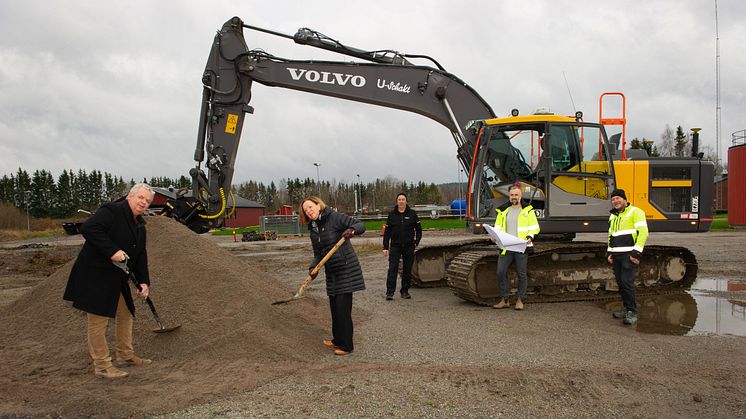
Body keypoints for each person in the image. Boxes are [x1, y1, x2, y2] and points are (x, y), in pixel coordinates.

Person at [63, 183, 155, 379]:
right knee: (98, 319)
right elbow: (89, 228)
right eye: (141, 198)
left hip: (117, 278)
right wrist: (112, 251)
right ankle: (103, 365)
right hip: (96, 275)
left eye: (147, 201)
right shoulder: (112, 211)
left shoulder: (140, 226)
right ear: (130, 196)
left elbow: (140, 255)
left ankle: (125, 355)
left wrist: (144, 282)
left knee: (126, 314)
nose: (143, 203)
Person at [300, 196, 365, 356]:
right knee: (334, 308)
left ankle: (347, 345)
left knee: (343, 309)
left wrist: (352, 230)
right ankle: (337, 339)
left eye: (310, 207)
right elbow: (318, 254)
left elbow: (360, 224)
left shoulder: (334, 217)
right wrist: (312, 268)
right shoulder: (314, 228)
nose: (309, 211)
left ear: (318, 205)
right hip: (332, 272)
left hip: (345, 268)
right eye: (305, 210)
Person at [491, 184, 540, 311]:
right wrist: (494, 236)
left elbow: (535, 227)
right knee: (500, 272)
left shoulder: (528, 210)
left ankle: (520, 300)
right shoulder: (503, 211)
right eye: (512, 195)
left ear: (520, 195)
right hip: (506, 247)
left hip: (521, 247)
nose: (514, 197)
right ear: (509, 196)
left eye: (516, 194)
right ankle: (505, 299)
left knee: (521, 274)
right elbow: (498, 228)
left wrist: (530, 236)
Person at [606, 188, 648, 326]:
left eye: (618, 198)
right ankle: (626, 308)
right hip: (617, 254)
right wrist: (609, 252)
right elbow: (611, 235)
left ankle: (632, 312)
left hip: (629, 255)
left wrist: (636, 252)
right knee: (620, 283)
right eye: (613, 199)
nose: (615, 201)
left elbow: (643, 233)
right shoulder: (613, 216)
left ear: (624, 199)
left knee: (627, 283)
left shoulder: (636, 212)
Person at [382, 193, 422, 300]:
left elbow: (419, 230)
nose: (401, 201)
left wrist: (416, 242)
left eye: (403, 199)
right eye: (399, 199)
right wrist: (385, 247)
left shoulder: (412, 214)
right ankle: (390, 292)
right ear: (397, 201)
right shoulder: (392, 215)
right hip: (395, 246)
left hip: (409, 246)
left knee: (407, 269)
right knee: (392, 269)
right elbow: (387, 233)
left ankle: (405, 291)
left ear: (406, 201)